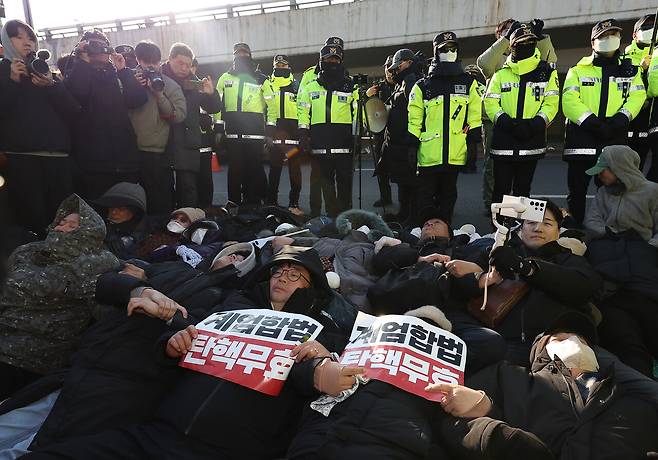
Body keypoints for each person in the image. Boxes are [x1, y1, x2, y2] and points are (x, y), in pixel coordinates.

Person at [23, 246, 358, 460]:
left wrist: (320, 370)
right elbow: (182, 343)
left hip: (232, 450)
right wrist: (173, 345)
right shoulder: (229, 309)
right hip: (155, 435)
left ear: (312, 286)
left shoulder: (326, 332)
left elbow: (323, 383)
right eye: (278, 271)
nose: (283, 277)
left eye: (295, 274)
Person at [433, 312, 658, 459]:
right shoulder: (506, 376)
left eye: (582, 341)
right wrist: (488, 413)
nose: (574, 343)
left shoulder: (628, 396)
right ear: (540, 350)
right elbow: (450, 423)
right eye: (559, 339)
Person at [0, 194, 119, 399]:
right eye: (62, 222)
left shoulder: (97, 264)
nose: (61, 228)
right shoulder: (28, 251)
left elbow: (105, 316)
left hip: (31, 357)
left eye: (72, 226)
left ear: (89, 233)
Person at [461, 200, 603, 365]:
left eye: (547, 223)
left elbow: (585, 288)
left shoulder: (570, 260)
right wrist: (484, 278)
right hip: (501, 345)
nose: (538, 228)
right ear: (520, 229)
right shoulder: (497, 253)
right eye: (531, 222)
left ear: (559, 231)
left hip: (561, 346)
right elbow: (459, 282)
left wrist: (528, 268)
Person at [583, 145, 658, 376]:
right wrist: (608, 233)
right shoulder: (603, 194)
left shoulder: (652, 191)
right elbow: (591, 221)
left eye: (604, 170)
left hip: (641, 259)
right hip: (609, 259)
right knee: (626, 339)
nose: (600, 175)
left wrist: (647, 248)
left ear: (620, 168)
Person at [562, 19, 646, 225]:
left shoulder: (631, 71)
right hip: (582, 142)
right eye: (604, 36)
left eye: (614, 35)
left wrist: (620, 119)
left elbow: (638, 97)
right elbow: (569, 101)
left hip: (614, 141)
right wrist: (592, 123)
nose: (610, 39)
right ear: (593, 42)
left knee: (613, 191)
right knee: (577, 192)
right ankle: (575, 231)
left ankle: (609, 231)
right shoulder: (577, 70)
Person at [0, 19, 80, 236]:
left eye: (30, 38)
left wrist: (52, 86)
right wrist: (12, 81)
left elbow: (73, 111)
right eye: (18, 37)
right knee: (33, 222)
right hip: (22, 159)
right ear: (6, 41)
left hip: (58, 158)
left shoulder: (45, 71)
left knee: (63, 221)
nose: (27, 43)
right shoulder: (3, 71)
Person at [477, 18, 557, 215]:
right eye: (509, 30)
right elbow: (485, 65)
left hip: (530, 124)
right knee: (494, 171)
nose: (518, 33)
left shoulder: (537, 60)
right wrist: (506, 38)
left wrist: (541, 38)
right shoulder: (499, 58)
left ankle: (520, 220)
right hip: (497, 120)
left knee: (523, 183)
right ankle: (493, 208)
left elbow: (550, 62)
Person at [408, 31, 482, 223]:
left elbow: (474, 116)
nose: (449, 53)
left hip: (455, 154)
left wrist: (473, 143)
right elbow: (414, 120)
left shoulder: (468, 83)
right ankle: (424, 234)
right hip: (428, 155)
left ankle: (444, 233)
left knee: (448, 197)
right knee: (425, 198)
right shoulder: (423, 86)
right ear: (436, 52)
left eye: (452, 49)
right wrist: (411, 146)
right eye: (444, 50)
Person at [65, 28, 148, 199]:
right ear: (84, 48)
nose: (101, 49)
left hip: (125, 160)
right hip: (93, 163)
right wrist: (82, 62)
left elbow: (138, 100)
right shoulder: (75, 73)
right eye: (94, 45)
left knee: (127, 213)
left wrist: (123, 70)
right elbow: (77, 94)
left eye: (104, 46)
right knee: (97, 211)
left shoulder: (117, 75)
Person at [298, 44, 357, 217]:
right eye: (328, 59)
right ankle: (332, 217)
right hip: (319, 145)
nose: (332, 62)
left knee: (345, 185)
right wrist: (303, 135)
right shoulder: (310, 86)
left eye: (336, 59)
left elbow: (357, 114)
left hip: (344, 145)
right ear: (321, 61)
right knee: (327, 186)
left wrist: (356, 137)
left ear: (341, 61)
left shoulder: (351, 85)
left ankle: (344, 218)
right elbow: (303, 112)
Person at [129, 41, 187, 215]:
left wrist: (159, 95)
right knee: (133, 199)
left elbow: (179, 115)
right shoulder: (127, 79)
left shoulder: (169, 84)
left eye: (155, 62)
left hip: (158, 152)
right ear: (138, 60)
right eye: (147, 62)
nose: (152, 67)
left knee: (161, 198)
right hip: (130, 150)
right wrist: (131, 86)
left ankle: (161, 232)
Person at [161, 42, 221, 208]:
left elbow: (214, 108)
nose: (184, 68)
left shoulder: (194, 81)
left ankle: (188, 225)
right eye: (180, 63)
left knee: (188, 190)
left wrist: (211, 94)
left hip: (188, 143)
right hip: (162, 141)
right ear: (170, 59)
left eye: (188, 65)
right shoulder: (158, 78)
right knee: (162, 190)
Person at [215, 43, 268, 207]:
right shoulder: (225, 78)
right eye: (238, 54)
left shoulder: (261, 78)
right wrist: (218, 128)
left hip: (255, 134)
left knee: (254, 170)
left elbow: (271, 105)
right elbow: (218, 105)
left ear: (250, 56)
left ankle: (253, 203)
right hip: (232, 133)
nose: (241, 56)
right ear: (233, 56)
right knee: (235, 172)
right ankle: (233, 204)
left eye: (244, 53)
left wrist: (270, 130)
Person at [383, 49, 423, 225]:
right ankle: (404, 213)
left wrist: (412, 142)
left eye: (398, 66)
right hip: (399, 142)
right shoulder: (402, 82)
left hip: (408, 141)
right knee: (402, 181)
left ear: (408, 62)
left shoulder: (412, 82)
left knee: (411, 183)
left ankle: (412, 218)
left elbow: (415, 112)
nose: (395, 70)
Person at [262, 54, 303, 213]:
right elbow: (266, 109)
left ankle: (294, 203)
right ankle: (271, 202)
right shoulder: (267, 84)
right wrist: (268, 133)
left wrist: (303, 132)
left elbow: (303, 108)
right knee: (275, 169)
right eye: (277, 65)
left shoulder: (297, 84)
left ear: (288, 66)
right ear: (274, 66)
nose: (280, 67)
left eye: (283, 65)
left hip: (293, 135)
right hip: (276, 133)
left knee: (295, 170)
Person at [91, 182, 152, 260]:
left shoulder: (154, 234)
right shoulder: (97, 231)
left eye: (121, 209)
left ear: (135, 211)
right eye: (111, 207)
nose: (113, 212)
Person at [625, 14, 655, 172]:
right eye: (646, 27)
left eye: (654, 27)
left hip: (652, 116)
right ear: (634, 34)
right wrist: (641, 70)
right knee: (630, 164)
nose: (651, 31)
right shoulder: (624, 57)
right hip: (631, 117)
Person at [366, 55, 394, 208]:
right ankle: (385, 197)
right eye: (386, 68)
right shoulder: (378, 87)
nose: (388, 72)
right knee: (381, 169)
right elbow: (368, 108)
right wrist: (367, 95)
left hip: (397, 133)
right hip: (380, 133)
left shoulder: (402, 85)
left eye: (391, 68)